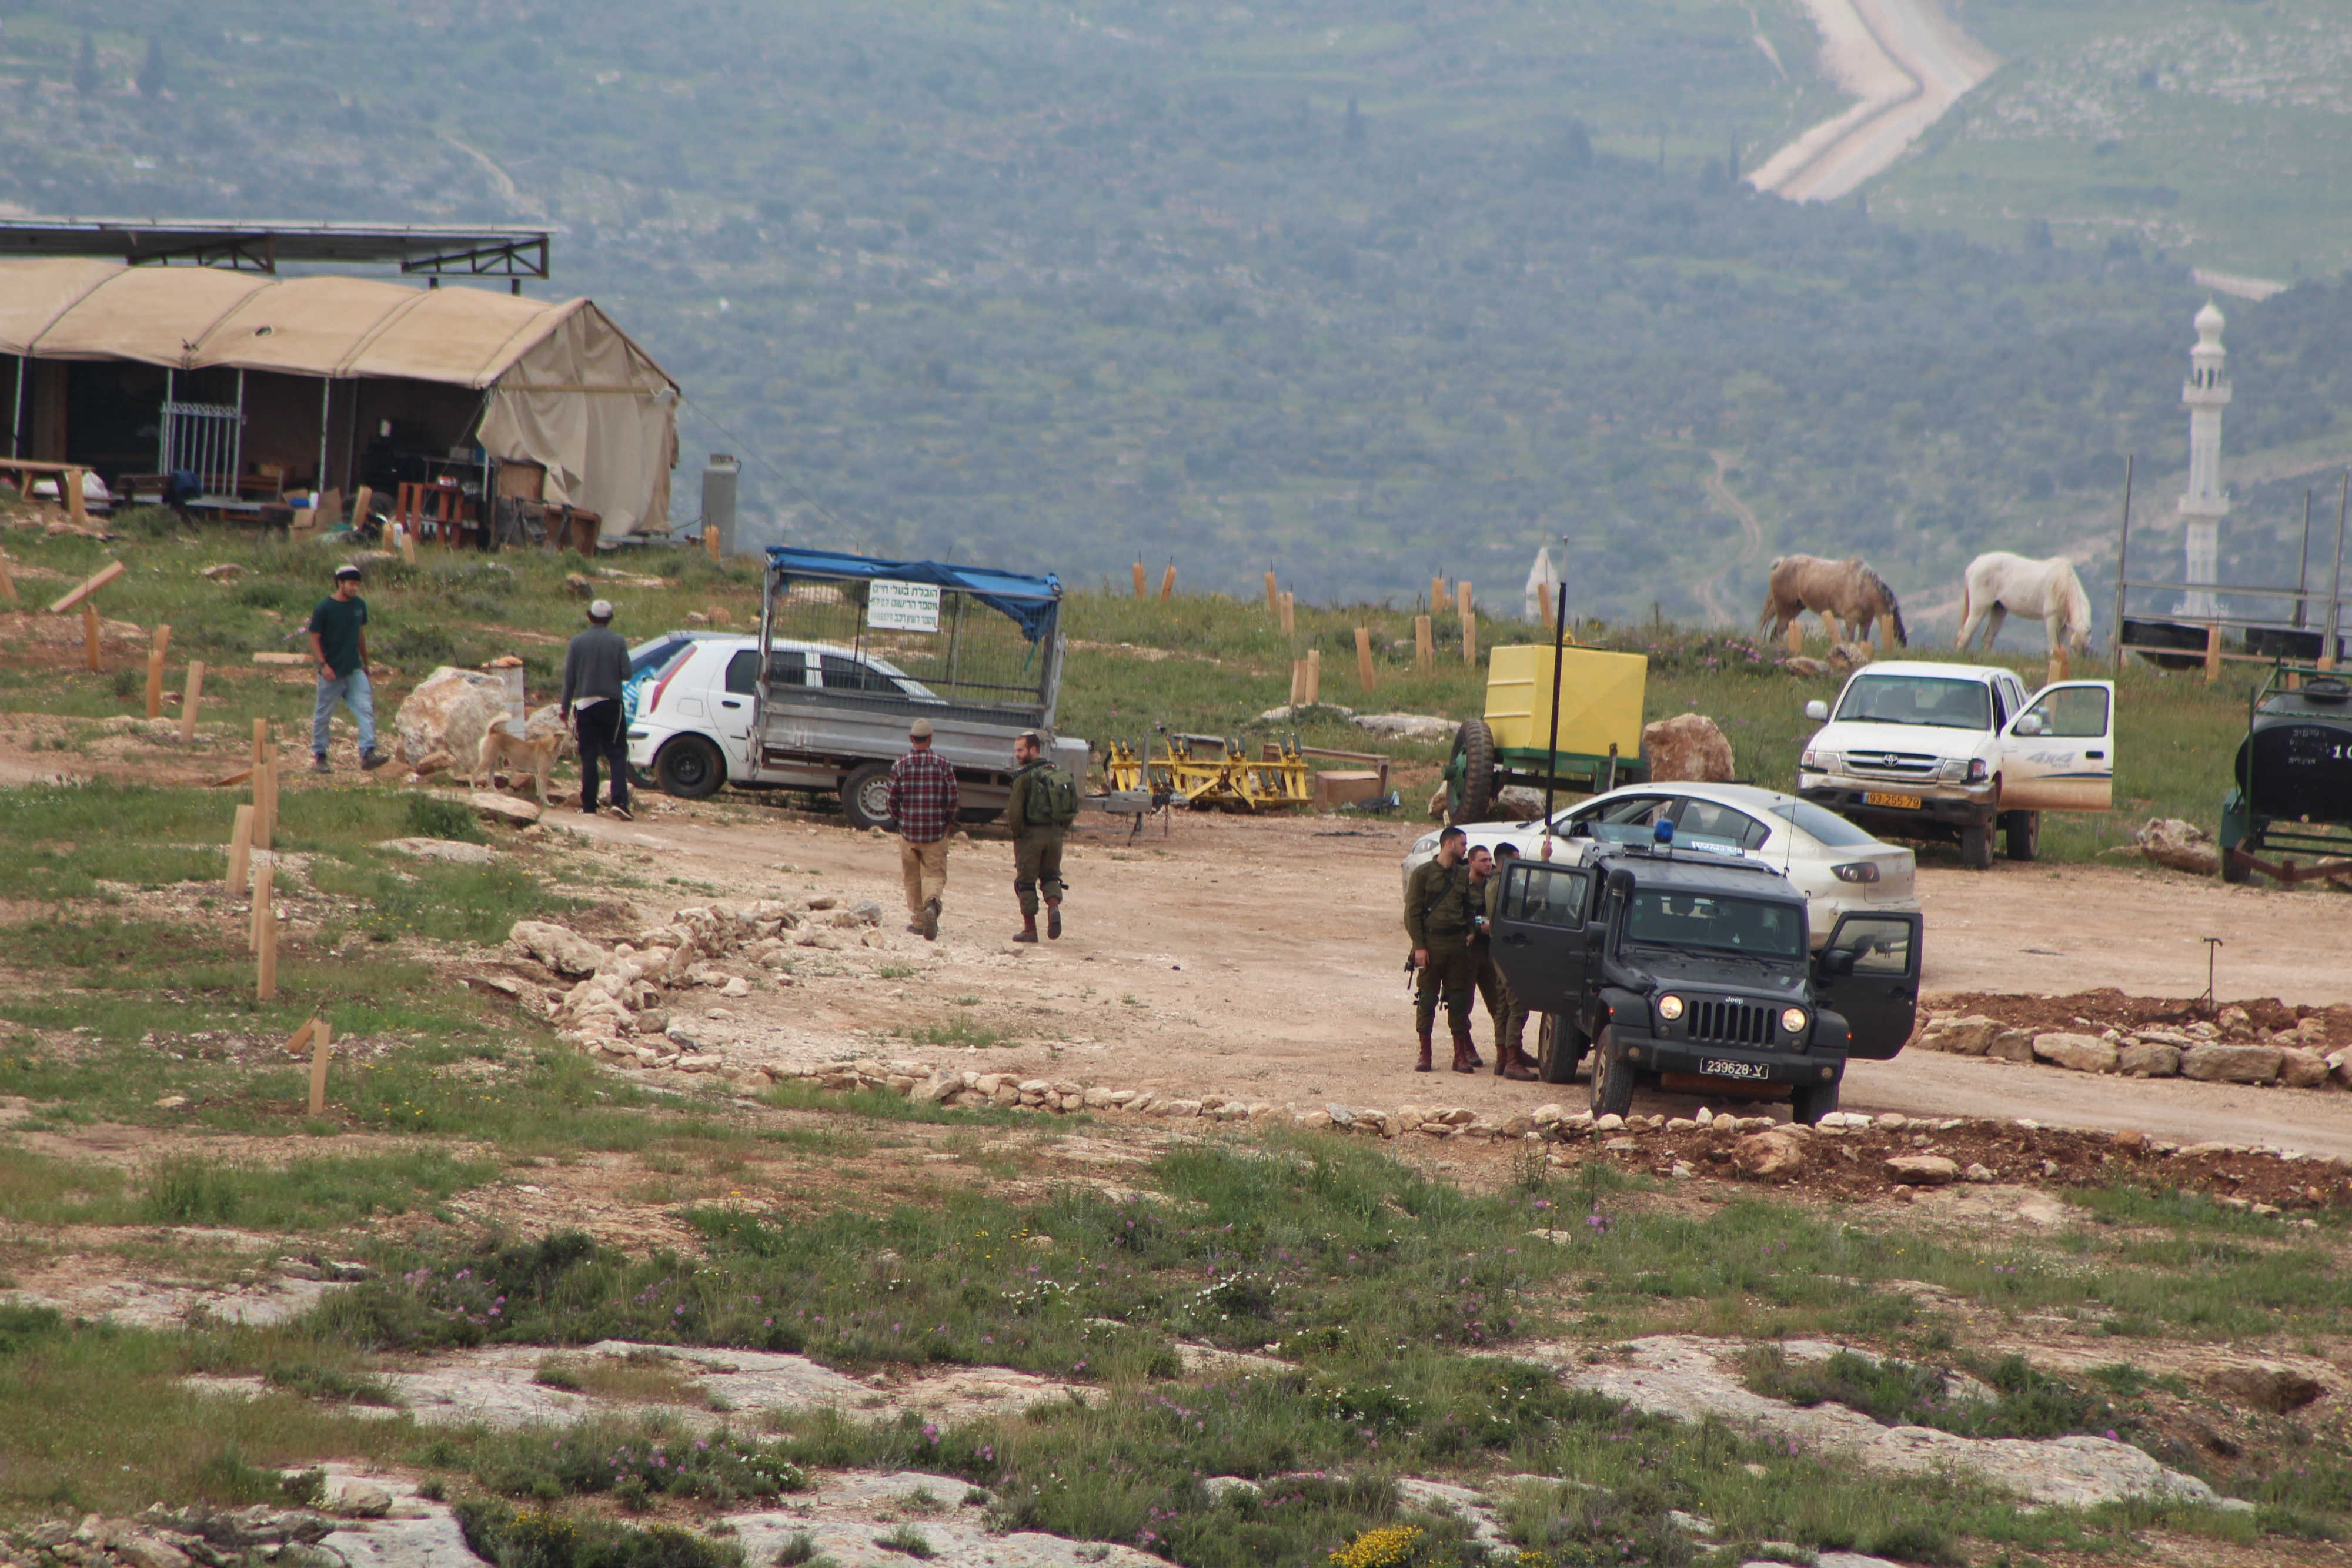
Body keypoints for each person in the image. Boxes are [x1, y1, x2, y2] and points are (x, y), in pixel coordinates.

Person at [1402, 824, 1480, 1073]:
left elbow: (1468, 907)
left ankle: (1460, 1056)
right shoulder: (1423, 874)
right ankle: (1425, 1055)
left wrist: (1470, 930)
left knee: (1458, 1000)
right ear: (1449, 844)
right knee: (1427, 999)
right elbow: (1412, 913)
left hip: (1457, 945)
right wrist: (1419, 947)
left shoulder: (1462, 875)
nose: (1466, 848)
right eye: (1463, 844)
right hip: (1432, 944)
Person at [308, 563, 386, 773]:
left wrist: (366, 663)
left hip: (354, 670)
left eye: (357, 585)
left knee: (365, 709)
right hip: (331, 672)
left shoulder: (359, 606)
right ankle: (320, 756)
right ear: (340, 583)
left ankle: (368, 753)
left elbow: (360, 634)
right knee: (323, 715)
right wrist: (323, 665)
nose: (355, 588)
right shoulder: (324, 608)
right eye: (351, 584)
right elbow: (314, 638)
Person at [1467, 847, 1538, 1081]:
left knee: (1503, 1005)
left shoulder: (1498, 883)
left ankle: (1504, 1057)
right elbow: (1515, 914)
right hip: (1508, 949)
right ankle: (1512, 1060)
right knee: (1517, 1003)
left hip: (1500, 948)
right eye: (1516, 861)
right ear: (1506, 861)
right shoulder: (1501, 885)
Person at [561, 599, 633, 820]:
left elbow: (569, 679)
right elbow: (627, 673)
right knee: (617, 753)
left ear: (589, 616)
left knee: (589, 755)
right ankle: (620, 802)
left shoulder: (576, 642)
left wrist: (564, 707)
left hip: (585, 705)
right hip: (611, 704)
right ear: (610, 618)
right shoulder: (618, 641)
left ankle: (589, 805)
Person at [887, 717, 958, 940]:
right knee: (934, 874)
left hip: (909, 832)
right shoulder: (943, 764)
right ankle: (932, 904)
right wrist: (947, 820)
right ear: (930, 739)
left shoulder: (900, 764)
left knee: (912, 878)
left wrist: (900, 820)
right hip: (935, 833)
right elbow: (952, 797)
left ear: (911, 739)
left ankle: (919, 922)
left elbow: (891, 799)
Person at [1003, 730, 1068, 944]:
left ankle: (1030, 929)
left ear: (1033, 750)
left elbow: (1014, 813)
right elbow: (1069, 806)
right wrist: (1060, 830)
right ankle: (1054, 907)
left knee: (1026, 882)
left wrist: (1018, 834)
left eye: (1021, 750)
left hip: (1030, 837)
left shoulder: (1023, 777)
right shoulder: (1056, 772)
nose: (1017, 755)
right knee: (1051, 877)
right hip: (1055, 836)